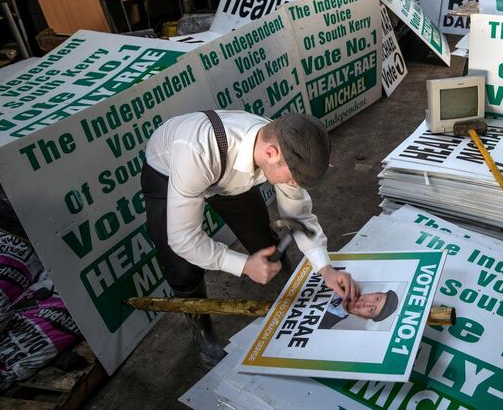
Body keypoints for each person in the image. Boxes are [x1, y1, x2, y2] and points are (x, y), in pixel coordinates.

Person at [141, 110, 359, 368]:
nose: (292, 183)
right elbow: (183, 238)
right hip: (169, 169)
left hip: (226, 173)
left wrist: (325, 268)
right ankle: (202, 331)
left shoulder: (283, 142)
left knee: (263, 240)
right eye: (292, 178)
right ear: (270, 154)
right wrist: (243, 265)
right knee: (181, 266)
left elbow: (298, 215)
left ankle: (290, 296)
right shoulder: (198, 151)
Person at [319, 290, 398, 330]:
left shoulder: (322, 326)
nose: (367, 304)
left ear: (362, 317)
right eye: (377, 299)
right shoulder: (342, 276)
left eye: (371, 310)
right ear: (375, 292)